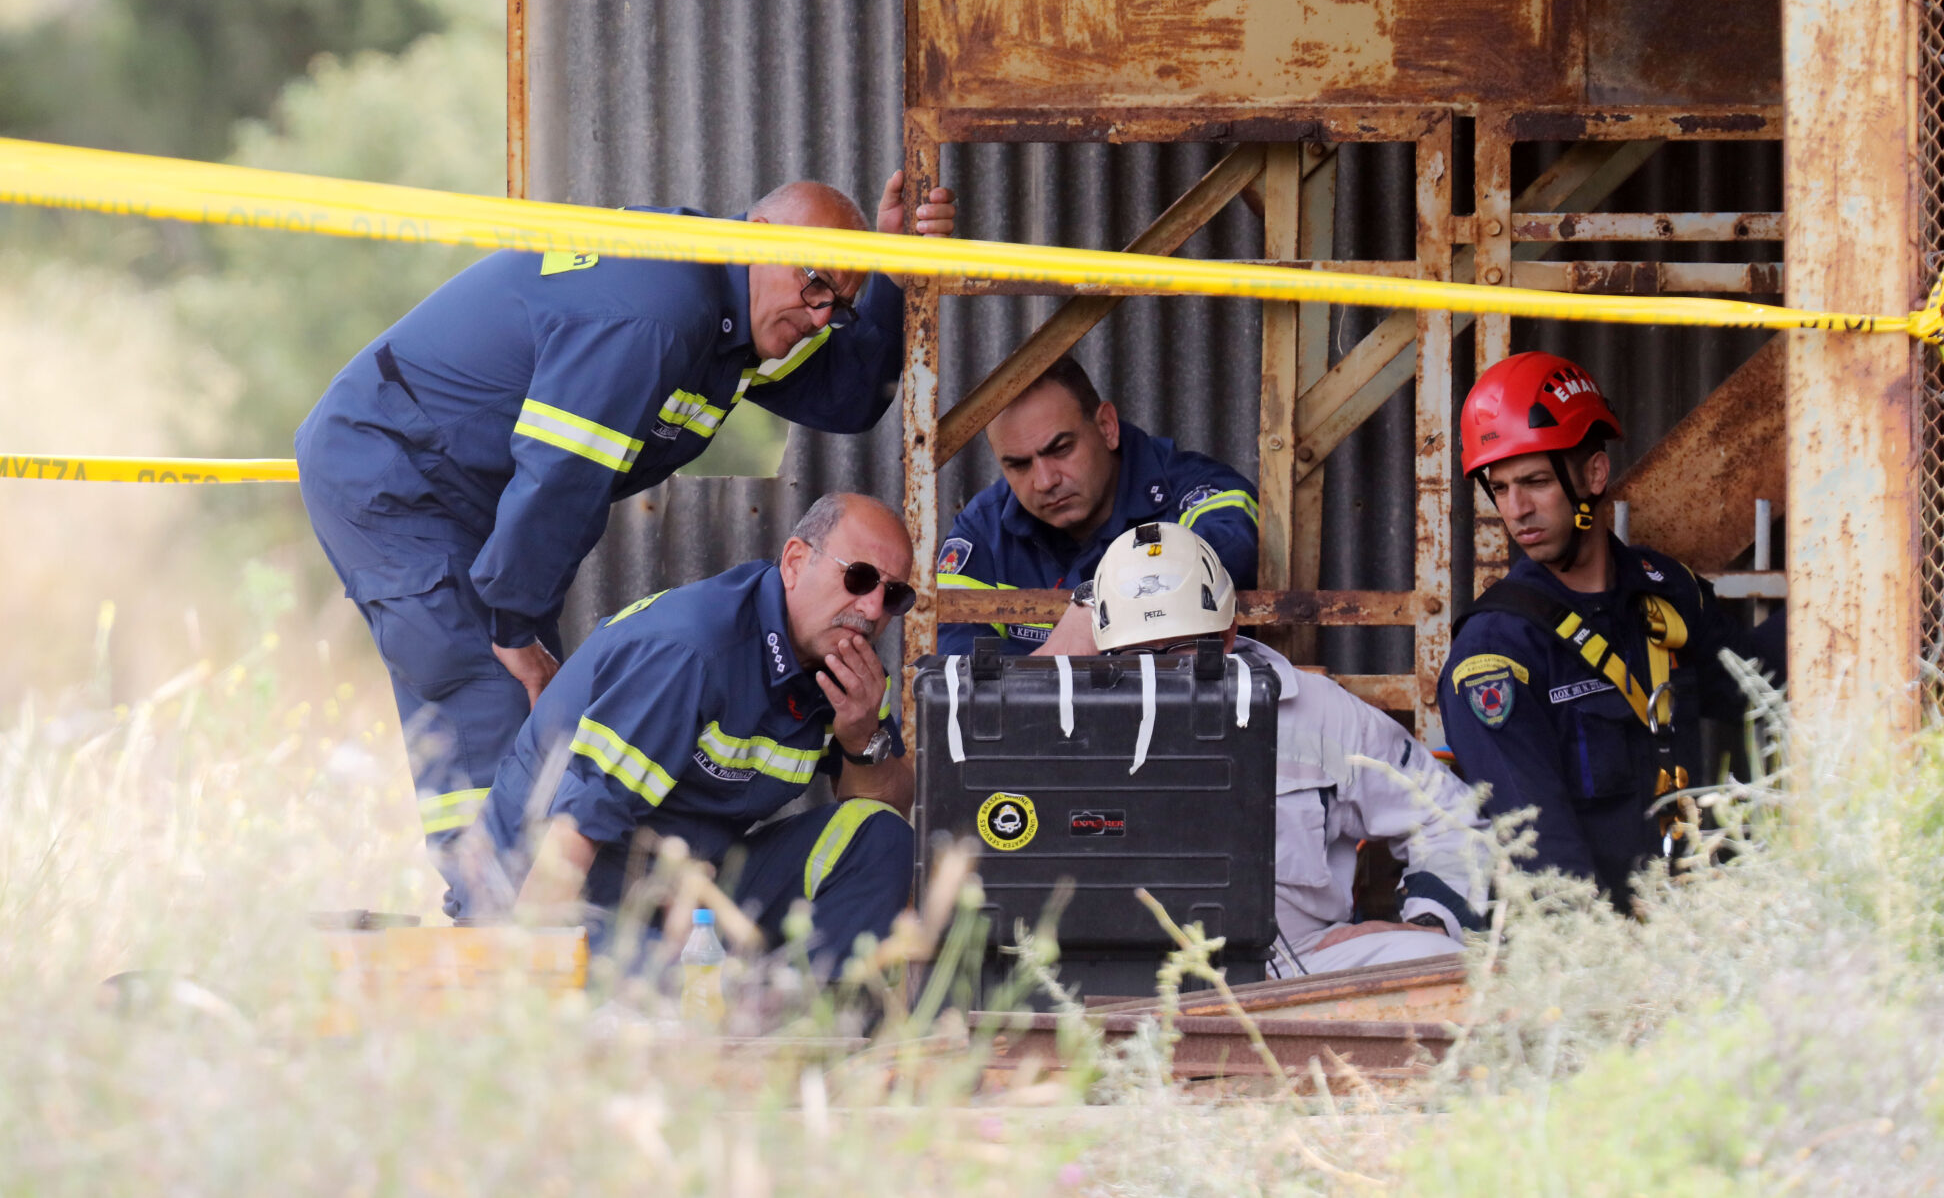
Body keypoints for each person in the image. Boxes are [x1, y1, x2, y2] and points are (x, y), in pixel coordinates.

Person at [296, 176, 953, 914]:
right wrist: (511, 624)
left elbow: (846, 396)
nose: (820, 313)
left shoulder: (738, 318)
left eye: (839, 300)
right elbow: (561, 475)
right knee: (485, 691)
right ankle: (492, 964)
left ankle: (521, 950)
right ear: (761, 233)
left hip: (484, 495)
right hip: (396, 468)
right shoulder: (661, 312)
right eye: (813, 284)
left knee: (529, 744)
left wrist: (895, 275)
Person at [473, 493, 917, 971]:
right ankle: (748, 1007)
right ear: (794, 562)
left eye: (893, 595)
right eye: (859, 577)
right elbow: (574, 830)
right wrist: (527, 968)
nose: (872, 610)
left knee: (881, 836)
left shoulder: (849, 670)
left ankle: (815, 1024)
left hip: (688, 895)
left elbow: (884, 813)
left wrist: (861, 737)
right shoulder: (692, 652)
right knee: (699, 996)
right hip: (562, 894)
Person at [1439, 351, 1786, 912]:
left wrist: (1851, 606)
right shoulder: (1497, 654)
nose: (1516, 509)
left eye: (1533, 481)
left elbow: (1759, 687)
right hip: (1594, 959)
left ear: (1593, 474)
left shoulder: (1664, 591)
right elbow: (1543, 859)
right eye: (1499, 488)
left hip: (1698, 924)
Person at [1087, 521, 1488, 975]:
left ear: (1227, 633)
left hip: (1296, 970)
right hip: (1121, 975)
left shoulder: (1317, 714)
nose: (1161, 674)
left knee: (1444, 965)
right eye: (1137, 656)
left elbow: (1449, 816)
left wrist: (1434, 923)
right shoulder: (1067, 722)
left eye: (1181, 650)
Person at [934, 354, 1259, 656]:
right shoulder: (984, 528)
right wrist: (1052, 667)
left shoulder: (1191, 490)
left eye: (1060, 449)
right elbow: (951, 662)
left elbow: (1233, 543)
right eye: (1018, 465)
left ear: (1107, 427)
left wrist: (1097, 607)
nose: (1045, 481)